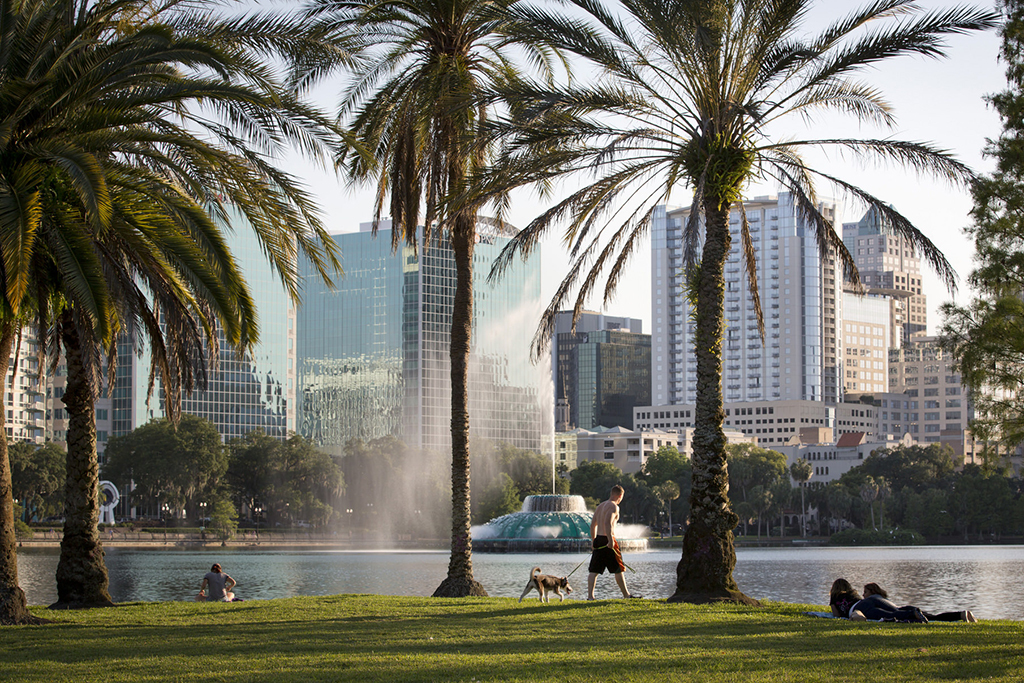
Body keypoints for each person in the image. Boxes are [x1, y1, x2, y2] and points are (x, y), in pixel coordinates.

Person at [587, 485, 640, 600]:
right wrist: (611, 541)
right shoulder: (614, 507)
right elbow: (608, 523)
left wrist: (593, 540)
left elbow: (593, 525)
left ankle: (590, 597)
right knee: (618, 569)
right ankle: (626, 595)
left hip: (598, 539)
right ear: (620, 496)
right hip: (608, 539)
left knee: (594, 570)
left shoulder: (600, 506)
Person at [861, 583, 977, 623]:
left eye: (865, 592)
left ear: (873, 592)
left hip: (906, 611)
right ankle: (961, 614)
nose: (863, 595)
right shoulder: (884, 600)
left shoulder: (874, 600)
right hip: (908, 608)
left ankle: (961, 615)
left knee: (933, 618)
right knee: (934, 618)